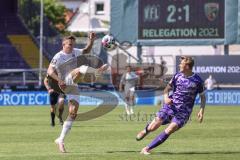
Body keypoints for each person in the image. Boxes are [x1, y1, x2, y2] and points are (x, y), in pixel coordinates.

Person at [47, 33, 108, 153]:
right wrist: (59, 80)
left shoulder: (75, 51)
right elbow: (49, 71)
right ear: (63, 45)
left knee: (73, 113)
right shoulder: (58, 56)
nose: (71, 46)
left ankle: (60, 140)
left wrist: (91, 40)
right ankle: (97, 72)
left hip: (73, 85)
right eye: (69, 44)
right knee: (80, 69)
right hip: (64, 82)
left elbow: (86, 50)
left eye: (72, 44)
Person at [136, 56, 206, 155]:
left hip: (184, 112)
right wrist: (166, 98)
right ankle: (146, 130)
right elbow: (166, 90)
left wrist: (201, 110)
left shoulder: (198, 80)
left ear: (187, 66)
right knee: (153, 127)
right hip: (170, 107)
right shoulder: (177, 76)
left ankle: (146, 149)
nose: (179, 65)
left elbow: (203, 97)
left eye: (181, 63)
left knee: (170, 129)